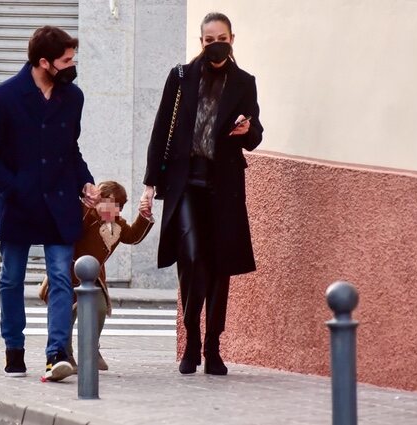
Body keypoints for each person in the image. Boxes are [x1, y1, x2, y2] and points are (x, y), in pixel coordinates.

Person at [0, 25, 100, 383]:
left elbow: (70, 150)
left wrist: (84, 181)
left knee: (61, 276)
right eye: (66, 60)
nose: (72, 65)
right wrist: (13, 185)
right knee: (11, 279)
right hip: (19, 205)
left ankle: (56, 353)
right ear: (44, 62)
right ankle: (14, 349)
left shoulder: (73, 98)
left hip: (60, 204)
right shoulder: (2, 98)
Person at [139, 12, 263, 376]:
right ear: (201, 42)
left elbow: (255, 133)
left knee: (219, 265)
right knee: (192, 258)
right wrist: (149, 185)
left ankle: (213, 346)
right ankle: (191, 338)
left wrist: (248, 130)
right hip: (185, 184)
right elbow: (161, 129)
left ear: (232, 39)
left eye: (221, 38)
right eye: (209, 40)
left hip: (223, 185)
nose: (216, 44)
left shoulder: (244, 82)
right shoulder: (182, 77)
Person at [39, 181, 154, 373]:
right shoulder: (86, 214)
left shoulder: (117, 224)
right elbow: (72, 229)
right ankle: (64, 355)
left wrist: (145, 215)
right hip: (68, 272)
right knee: (65, 315)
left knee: (100, 308)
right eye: (111, 203)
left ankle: (91, 349)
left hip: (94, 276)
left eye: (120, 206)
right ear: (99, 200)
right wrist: (87, 205)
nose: (116, 210)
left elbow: (133, 235)